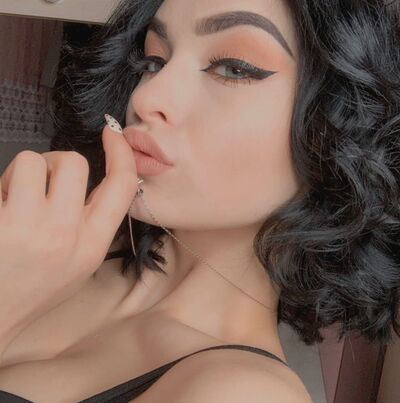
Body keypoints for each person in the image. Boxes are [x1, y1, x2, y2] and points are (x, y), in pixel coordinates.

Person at [0, 0, 399, 401]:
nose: (146, 97)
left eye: (233, 68)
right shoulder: (54, 248)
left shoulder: (245, 394)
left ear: (337, 129)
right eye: (154, 61)